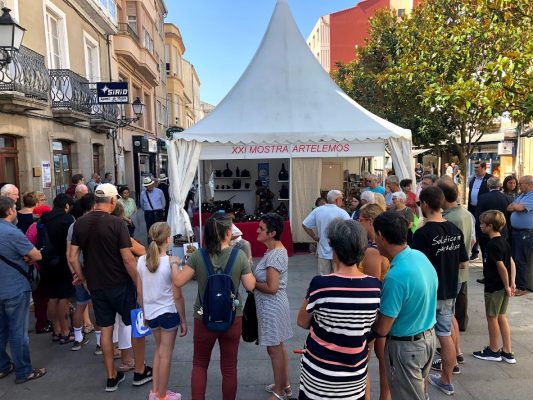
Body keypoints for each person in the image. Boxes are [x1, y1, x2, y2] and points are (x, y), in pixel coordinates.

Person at [69, 183, 153, 392]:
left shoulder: (79, 224)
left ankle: (111, 376)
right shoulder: (117, 224)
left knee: (105, 329)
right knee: (135, 324)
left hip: (96, 284)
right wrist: (139, 284)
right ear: (113, 200)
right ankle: (139, 370)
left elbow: (72, 257)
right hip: (121, 283)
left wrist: (83, 279)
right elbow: (128, 258)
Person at [172, 213, 256, 400]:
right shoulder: (239, 256)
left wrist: (174, 265)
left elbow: (178, 281)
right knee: (229, 368)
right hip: (232, 317)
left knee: (199, 364)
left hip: (203, 317)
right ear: (227, 233)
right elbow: (250, 285)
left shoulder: (197, 256)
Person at [297, 218, 381, 400]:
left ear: (334, 248)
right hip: (354, 377)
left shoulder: (321, 284)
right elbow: (371, 324)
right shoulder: (375, 287)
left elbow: (302, 321)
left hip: (319, 376)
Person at [371, 211, 438, 400]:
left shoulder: (396, 276)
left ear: (381, 236)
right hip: (428, 338)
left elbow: (383, 328)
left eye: (375, 235)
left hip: (406, 347)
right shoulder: (419, 256)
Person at [412, 187, 469, 396]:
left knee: (422, 338)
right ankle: (446, 380)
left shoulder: (422, 234)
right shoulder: (454, 230)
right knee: (444, 335)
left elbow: (415, 265)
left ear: (425, 204)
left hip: (428, 292)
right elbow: (463, 263)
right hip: (449, 289)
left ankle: (423, 387)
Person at [137, 222, 187, 400]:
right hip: (168, 313)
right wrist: (183, 319)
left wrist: (144, 313)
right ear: (167, 239)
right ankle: (162, 396)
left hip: (151, 313)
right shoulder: (170, 262)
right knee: (165, 354)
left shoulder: (141, 261)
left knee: (159, 351)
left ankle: (155, 391)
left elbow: (140, 291)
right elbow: (177, 295)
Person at [0, 196, 47, 384]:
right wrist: (27, 257)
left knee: (1, 330)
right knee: (18, 332)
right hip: (14, 288)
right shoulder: (12, 232)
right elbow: (36, 255)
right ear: (10, 211)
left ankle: (3, 365)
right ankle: (24, 371)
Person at [253, 213, 293, 400]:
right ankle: (285, 385)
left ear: (272, 233)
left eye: (261, 228)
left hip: (272, 307)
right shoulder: (274, 251)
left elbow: (272, 287)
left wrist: (252, 283)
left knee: (274, 349)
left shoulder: (275, 254)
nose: (257, 231)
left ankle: (279, 391)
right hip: (274, 305)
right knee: (278, 347)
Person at [473, 210, 517, 363]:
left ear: (490, 226)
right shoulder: (504, 241)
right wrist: (512, 282)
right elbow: (511, 262)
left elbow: (502, 267)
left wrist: (507, 285)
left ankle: (493, 350)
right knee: (501, 316)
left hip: (494, 287)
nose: (480, 226)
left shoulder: (492, 245)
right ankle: (507, 351)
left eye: (482, 224)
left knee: (492, 318)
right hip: (503, 287)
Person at [358, 203, 390, 400]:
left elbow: (372, 287)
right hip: (381, 311)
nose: (358, 222)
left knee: (369, 360)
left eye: (360, 219)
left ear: (370, 221)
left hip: (374, 314)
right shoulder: (378, 247)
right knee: (382, 359)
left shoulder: (373, 251)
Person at [40, 193, 76, 344]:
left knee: (52, 296)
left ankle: (56, 330)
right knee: (63, 297)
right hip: (62, 261)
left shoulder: (44, 218)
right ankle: (66, 331)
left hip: (46, 262)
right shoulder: (67, 219)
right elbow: (72, 243)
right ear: (66, 206)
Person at [66, 193, 97, 352]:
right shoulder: (97, 223)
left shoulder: (74, 225)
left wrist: (75, 273)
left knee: (80, 304)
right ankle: (100, 341)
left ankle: (78, 338)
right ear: (94, 206)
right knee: (97, 306)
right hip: (95, 270)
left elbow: (70, 254)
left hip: (78, 269)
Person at [302, 189, 351, 275]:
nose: (342, 201)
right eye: (341, 199)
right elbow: (350, 230)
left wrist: (314, 236)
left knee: (324, 278)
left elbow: (305, 224)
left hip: (323, 251)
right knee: (337, 277)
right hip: (338, 252)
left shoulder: (318, 210)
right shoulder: (343, 213)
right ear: (337, 200)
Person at [476, 177, 511, 283]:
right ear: (500, 185)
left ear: (488, 186)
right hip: (502, 230)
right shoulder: (506, 198)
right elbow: (508, 216)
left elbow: (478, 215)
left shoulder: (483, 197)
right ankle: (502, 277)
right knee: (501, 255)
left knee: (486, 254)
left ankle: (487, 276)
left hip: (486, 230)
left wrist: (478, 230)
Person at [507, 175, 533, 296]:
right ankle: (515, 283)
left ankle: (521, 287)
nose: (518, 185)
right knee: (515, 258)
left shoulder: (531, 196)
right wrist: (515, 207)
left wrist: (516, 207)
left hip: (525, 233)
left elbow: (519, 207)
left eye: (521, 183)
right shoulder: (522, 195)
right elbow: (509, 207)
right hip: (516, 231)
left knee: (520, 259)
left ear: (529, 185)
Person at [468, 161, 493, 260]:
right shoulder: (473, 178)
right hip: (472, 207)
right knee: (473, 229)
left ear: (483, 168)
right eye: (474, 167)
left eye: (477, 168)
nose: (475, 170)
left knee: (482, 229)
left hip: (483, 209)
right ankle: (474, 251)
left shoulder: (489, 179)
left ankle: (486, 251)